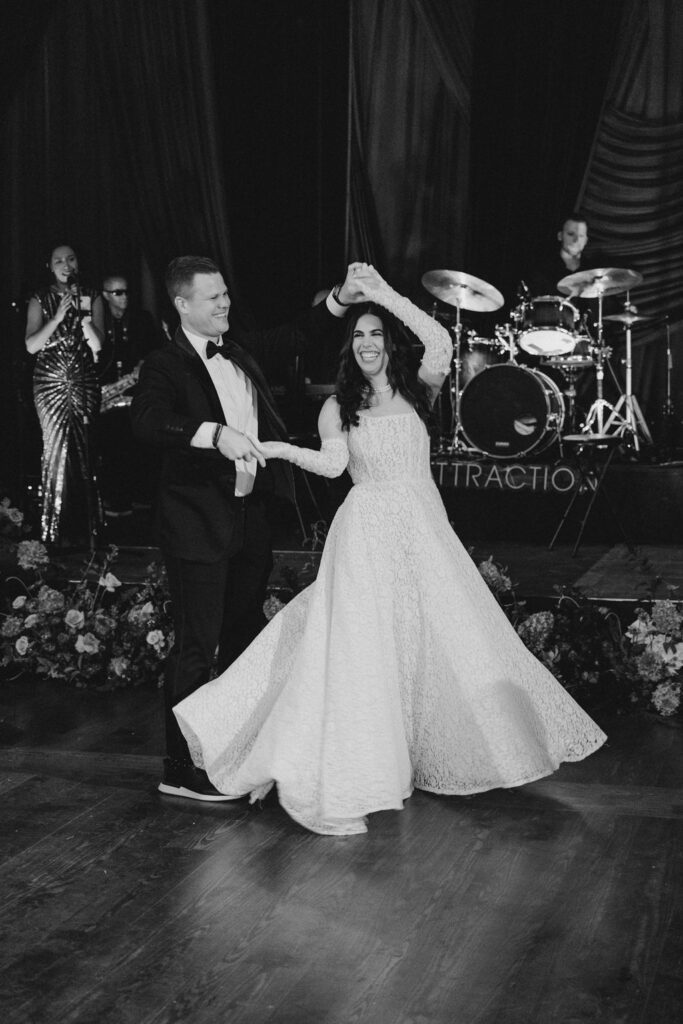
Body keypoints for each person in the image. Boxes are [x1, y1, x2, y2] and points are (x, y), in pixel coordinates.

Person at [172, 263, 607, 836]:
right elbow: (333, 466)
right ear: (348, 349)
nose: (367, 343)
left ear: (389, 342)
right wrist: (277, 449)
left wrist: (382, 295)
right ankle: (353, 759)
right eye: (358, 336)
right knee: (362, 647)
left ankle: (431, 748)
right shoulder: (338, 407)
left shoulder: (418, 390)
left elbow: (440, 339)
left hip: (422, 531)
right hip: (365, 532)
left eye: (376, 334)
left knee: (440, 635)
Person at [130, 255, 361, 801]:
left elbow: (297, 334)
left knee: (243, 642)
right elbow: (146, 421)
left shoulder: (238, 349)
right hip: (197, 523)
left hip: (249, 520)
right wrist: (214, 434)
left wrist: (342, 297)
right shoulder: (164, 364)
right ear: (182, 304)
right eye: (213, 297)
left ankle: (233, 756)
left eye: (226, 293)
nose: (225, 303)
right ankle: (180, 769)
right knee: (195, 647)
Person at [25, 244, 103, 546]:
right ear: (50, 266)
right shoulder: (39, 298)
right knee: (56, 447)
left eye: (70, 259)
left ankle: (88, 529)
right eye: (58, 260)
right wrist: (57, 317)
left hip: (83, 378)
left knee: (85, 446)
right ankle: (55, 529)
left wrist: (84, 318)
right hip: (50, 381)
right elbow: (31, 345)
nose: (65, 265)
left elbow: (98, 345)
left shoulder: (92, 296)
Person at [98, 273, 164, 516]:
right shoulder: (98, 321)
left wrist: (141, 369)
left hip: (136, 394)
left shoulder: (141, 319)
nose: (124, 297)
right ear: (105, 295)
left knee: (140, 446)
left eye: (126, 291)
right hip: (108, 397)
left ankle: (142, 497)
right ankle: (116, 500)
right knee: (112, 447)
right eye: (118, 292)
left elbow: (154, 350)